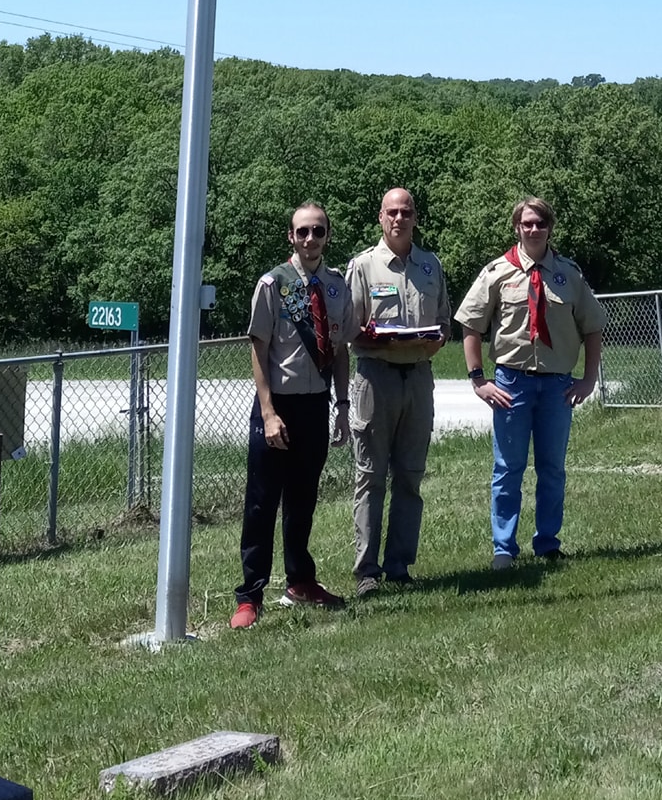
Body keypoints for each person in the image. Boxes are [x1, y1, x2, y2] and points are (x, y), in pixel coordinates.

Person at [454, 196, 605, 568]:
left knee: (552, 467)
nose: (534, 229)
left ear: (549, 227)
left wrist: (588, 379)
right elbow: (470, 325)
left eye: (540, 223)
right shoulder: (496, 273)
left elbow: (593, 327)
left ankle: (548, 543)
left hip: (557, 386)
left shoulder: (568, 274)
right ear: (516, 228)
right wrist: (478, 380)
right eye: (527, 223)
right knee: (508, 468)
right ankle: (503, 548)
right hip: (511, 384)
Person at [231, 202, 355, 628]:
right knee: (262, 503)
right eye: (302, 231)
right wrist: (267, 412)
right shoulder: (273, 284)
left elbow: (339, 352)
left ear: (327, 235)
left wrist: (342, 406)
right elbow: (258, 349)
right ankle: (250, 595)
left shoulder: (337, 287)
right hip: (277, 405)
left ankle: (300, 581)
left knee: (303, 500)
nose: (310, 239)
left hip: (315, 405)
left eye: (317, 231)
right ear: (290, 236)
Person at [345, 186, 451, 594]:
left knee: (410, 476)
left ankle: (400, 566)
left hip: (419, 378)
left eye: (406, 212)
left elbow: (443, 319)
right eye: (392, 212)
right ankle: (367, 572)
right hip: (376, 377)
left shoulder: (429, 265)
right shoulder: (364, 267)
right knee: (370, 476)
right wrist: (373, 337)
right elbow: (349, 329)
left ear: (415, 218)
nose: (399, 219)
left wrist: (437, 336)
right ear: (380, 217)